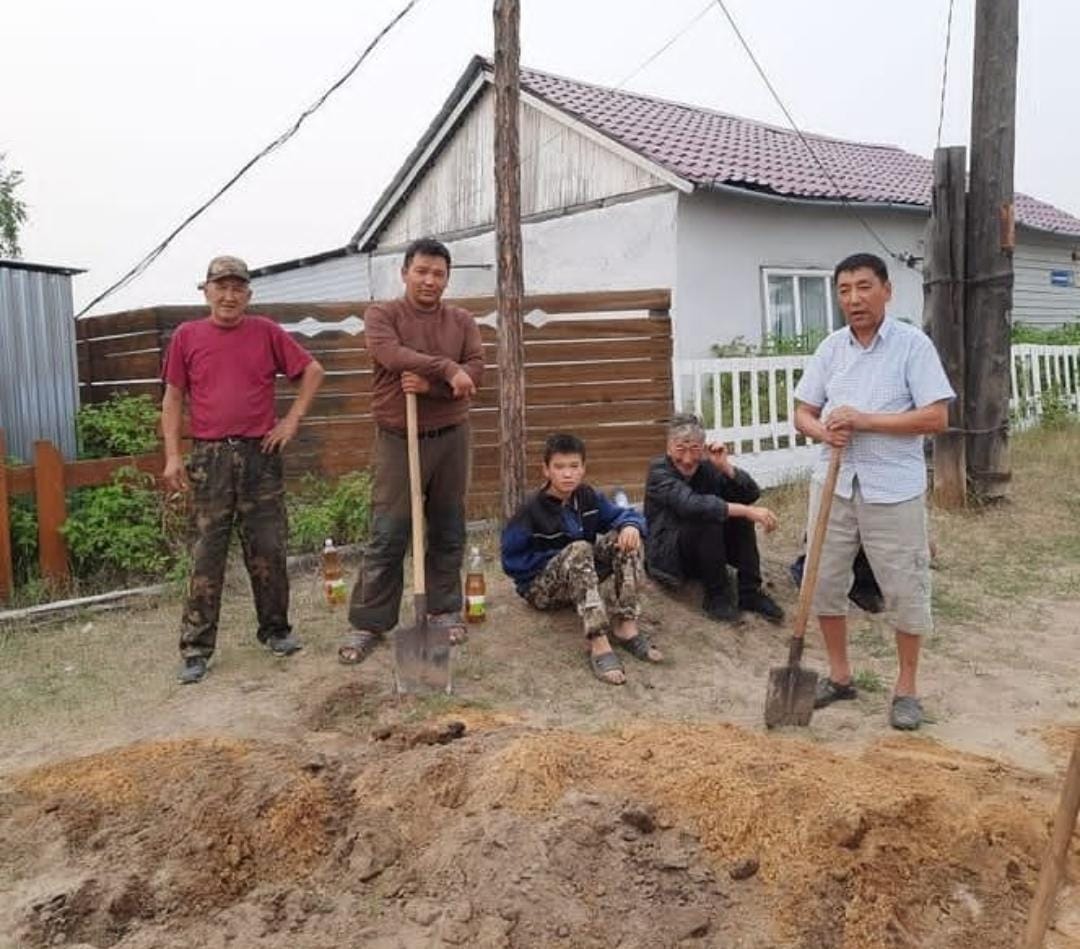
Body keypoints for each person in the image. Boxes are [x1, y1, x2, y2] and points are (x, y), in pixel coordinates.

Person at [793, 252, 954, 731]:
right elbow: (802, 411)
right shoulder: (831, 348)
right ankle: (840, 677)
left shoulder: (912, 346)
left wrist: (864, 421)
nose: (854, 298)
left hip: (893, 489)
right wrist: (824, 432)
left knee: (905, 588)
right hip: (833, 486)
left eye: (864, 287)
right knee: (822, 584)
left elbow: (936, 418)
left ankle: (906, 689)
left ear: (887, 290)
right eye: (844, 290)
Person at [162, 255, 326, 684]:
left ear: (248, 295)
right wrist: (173, 455)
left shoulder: (267, 332)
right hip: (209, 457)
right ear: (206, 291)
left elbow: (312, 370)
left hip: (260, 455)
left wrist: (291, 421)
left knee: (268, 547)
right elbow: (174, 398)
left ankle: (276, 631)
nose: (229, 295)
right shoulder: (186, 336)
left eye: (238, 288)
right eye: (221, 286)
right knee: (206, 554)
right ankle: (196, 649)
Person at [338, 238, 483, 664]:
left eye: (438, 273)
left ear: (446, 278)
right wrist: (445, 369)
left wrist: (433, 385)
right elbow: (389, 354)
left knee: (448, 527)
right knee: (388, 532)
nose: (429, 280)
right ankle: (369, 622)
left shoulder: (461, 321)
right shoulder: (383, 315)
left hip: (451, 437)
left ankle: (442, 610)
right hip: (399, 439)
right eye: (421, 271)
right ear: (404, 273)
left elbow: (475, 371)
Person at [501, 432, 661, 685]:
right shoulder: (530, 509)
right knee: (579, 549)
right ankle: (598, 641)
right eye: (559, 467)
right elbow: (511, 562)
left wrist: (630, 525)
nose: (567, 474)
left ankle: (626, 626)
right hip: (542, 589)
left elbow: (621, 515)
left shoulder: (588, 497)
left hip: (582, 574)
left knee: (625, 539)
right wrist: (560, 560)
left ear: (583, 468)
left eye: (574, 466)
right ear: (546, 470)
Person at [644, 414, 783, 623]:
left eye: (694, 449)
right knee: (709, 517)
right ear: (668, 448)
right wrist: (746, 510)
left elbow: (750, 494)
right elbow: (691, 505)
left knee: (739, 517)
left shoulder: (707, 468)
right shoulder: (659, 472)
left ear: (703, 447)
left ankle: (750, 593)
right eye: (681, 449)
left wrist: (725, 467)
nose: (688, 459)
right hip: (670, 555)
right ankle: (717, 597)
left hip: (707, 551)